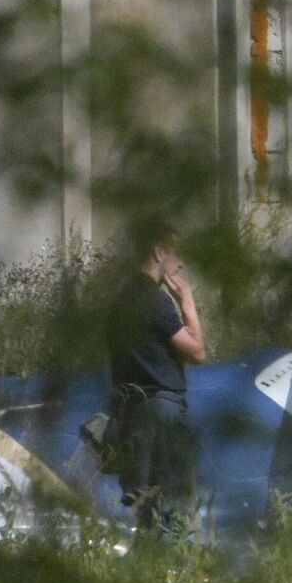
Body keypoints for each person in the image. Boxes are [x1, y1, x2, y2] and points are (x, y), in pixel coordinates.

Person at [106, 219, 208, 541]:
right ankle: (176, 580)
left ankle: (148, 581)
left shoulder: (119, 301)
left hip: (130, 417)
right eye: (176, 255)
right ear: (158, 251)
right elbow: (197, 352)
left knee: (145, 512)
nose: (181, 263)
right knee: (173, 510)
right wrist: (188, 304)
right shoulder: (154, 300)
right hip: (162, 414)